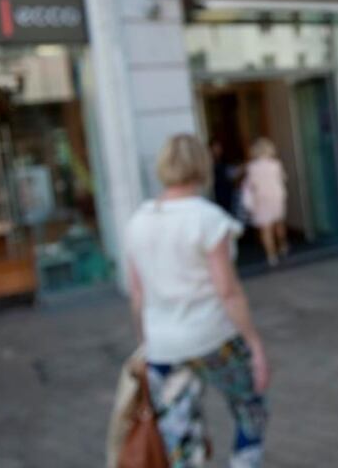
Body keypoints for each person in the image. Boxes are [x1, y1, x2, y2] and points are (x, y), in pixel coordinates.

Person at [125, 133, 271, 467]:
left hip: (164, 346)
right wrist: (255, 346)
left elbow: (137, 294)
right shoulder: (207, 219)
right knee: (251, 408)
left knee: (180, 437)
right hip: (214, 338)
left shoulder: (137, 222)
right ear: (201, 166)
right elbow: (228, 291)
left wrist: (145, 343)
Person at [241, 137, 289, 267]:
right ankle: (283, 246)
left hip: (261, 198)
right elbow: (283, 178)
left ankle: (271, 256)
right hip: (276, 196)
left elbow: (250, 185)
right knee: (279, 223)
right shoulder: (276, 164)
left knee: (265, 229)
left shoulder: (251, 167)